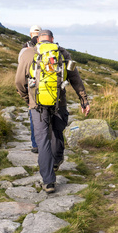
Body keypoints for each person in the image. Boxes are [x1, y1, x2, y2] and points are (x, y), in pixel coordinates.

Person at [15, 29, 90, 193]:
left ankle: (48, 181)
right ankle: (56, 162)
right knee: (57, 133)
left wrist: (28, 99)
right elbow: (75, 78)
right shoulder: (63, 54)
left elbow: (19, 82)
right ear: (53, 39)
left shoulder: (28, 54)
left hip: (37, 105)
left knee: (42, 141)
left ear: (37, 40)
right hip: (59, 103)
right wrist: (83, 99)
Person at [18, 25, 42, 153]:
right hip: (48, 86)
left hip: (31, 86)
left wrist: (25, 97)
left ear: (30, 34)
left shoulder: (25, 49)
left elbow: (21, 70)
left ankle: (35, 144)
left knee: (34, 114)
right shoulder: (48, 47)